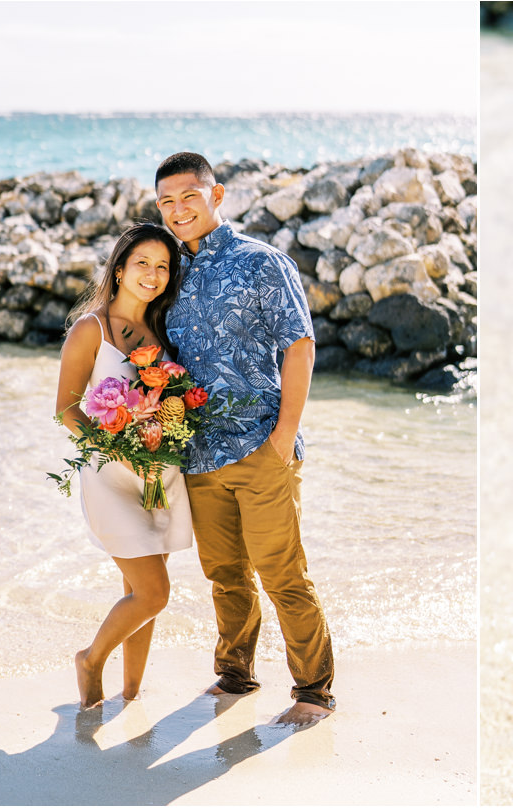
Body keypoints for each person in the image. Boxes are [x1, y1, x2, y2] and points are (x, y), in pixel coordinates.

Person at [154, 151, 334, 728]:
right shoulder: (168, 274)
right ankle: (236, 673)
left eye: (188, 196)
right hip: (200, 453)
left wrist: (283, 439)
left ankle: (314, 690)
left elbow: (299, 346)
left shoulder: (263, 263)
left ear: (217, 194)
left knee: (282, 571)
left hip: (261, 444)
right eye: (166, 202)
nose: (178, 210)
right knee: (224, 573)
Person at [55, 222, 194, 709]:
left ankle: (131, 694)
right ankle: (91, 661)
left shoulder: (165, 329)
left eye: (163, 267)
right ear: (117, 269)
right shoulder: (90, 329)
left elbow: (170, 396)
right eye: (142, 263)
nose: (153, 275)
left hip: (159, 473)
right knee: (154, 593)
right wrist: (118, 446)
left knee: (137, 588)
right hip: (111, 475)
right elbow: (66, 411)